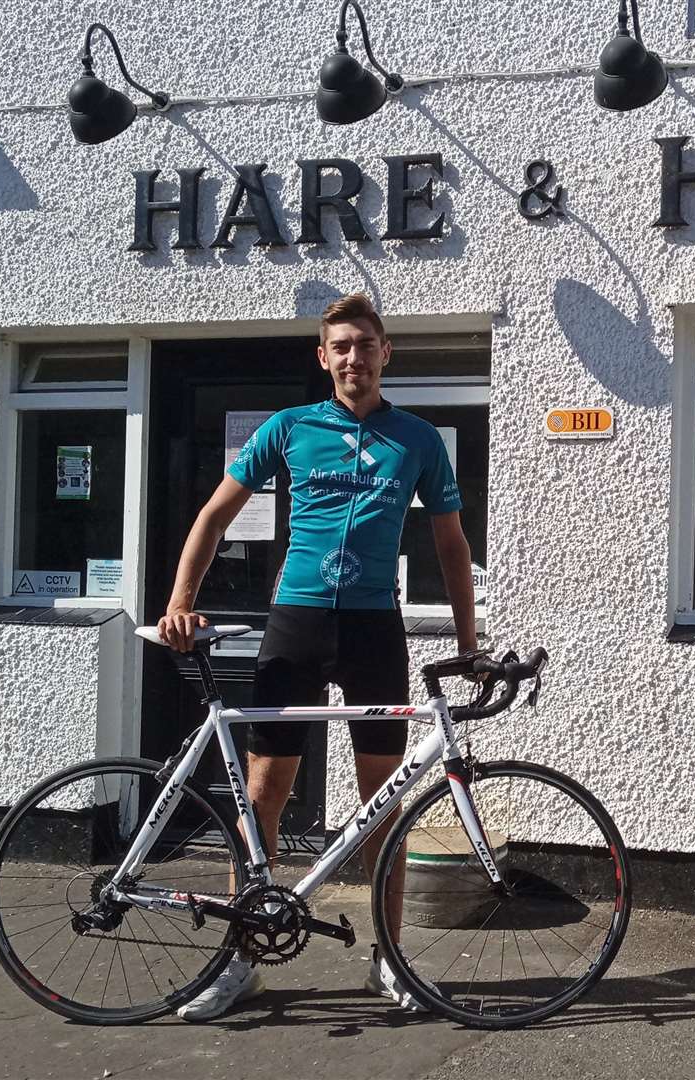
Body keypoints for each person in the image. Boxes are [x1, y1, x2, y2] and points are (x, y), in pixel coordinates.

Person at [156, 294, 478, 1021]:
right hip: (295, 621)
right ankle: (242, 959)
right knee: (264, 796)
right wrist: (180, 600)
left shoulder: (418, 440)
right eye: (340, 346)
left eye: (365, 344)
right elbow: (214, 516)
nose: (353, 357)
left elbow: (451, 544)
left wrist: (467, 643)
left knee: (382, 804)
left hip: (372, 630)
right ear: (323, 357)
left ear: (386, 352)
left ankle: (388, 960)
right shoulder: (289, 428)